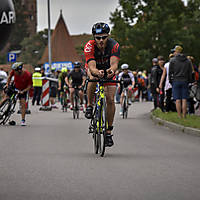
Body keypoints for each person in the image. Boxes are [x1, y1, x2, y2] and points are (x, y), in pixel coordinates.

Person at [84, 22, 120, 147]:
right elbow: (92, 67)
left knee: (110, 99)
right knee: (92, 77)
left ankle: (108, 132)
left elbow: (114, 64)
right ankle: (89, 105)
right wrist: (96, 72)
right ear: (94, 37)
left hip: (108, 68)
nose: (100, 40)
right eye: (98, 38)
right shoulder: (89, 46)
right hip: (94, 67)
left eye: (104, 37)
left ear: (108, 36)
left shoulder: (114, 45)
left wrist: (112, 71)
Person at [169, 45, 193, 118]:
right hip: (185, 80)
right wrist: (189, 81)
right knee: (184, 99)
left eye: (174, 51)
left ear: (177, 51)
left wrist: (171, 81)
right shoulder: (188, 60)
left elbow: (170, 72)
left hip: (176, 80)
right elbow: (190, 72)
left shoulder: (172, 60)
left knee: (177, 99)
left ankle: (179, 116)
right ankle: (184, 115)